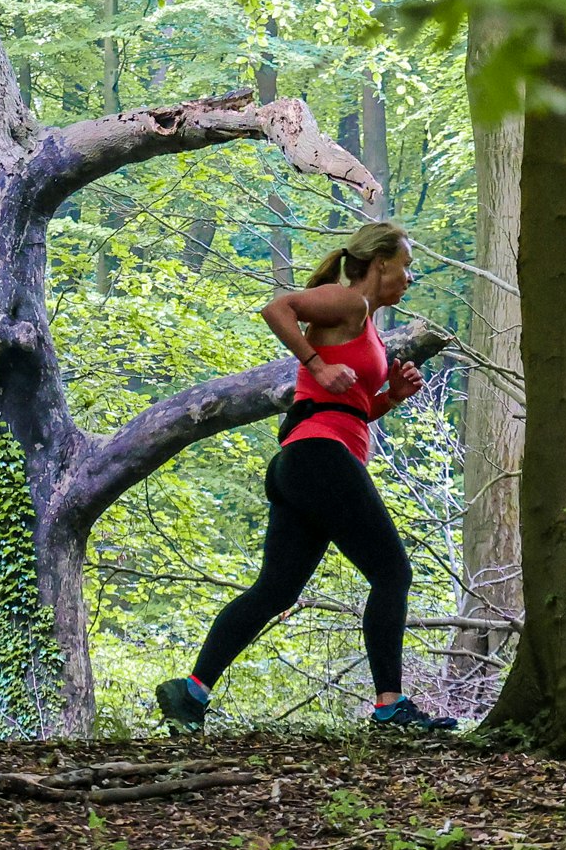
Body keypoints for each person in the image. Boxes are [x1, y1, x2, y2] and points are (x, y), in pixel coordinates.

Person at [154, 221, 457, 732]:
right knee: (392, 572)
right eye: (405, 265)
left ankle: (190, 693)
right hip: (319, 456)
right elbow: (278, 308)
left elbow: (353, 410)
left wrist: (390, 398)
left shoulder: (369, 327)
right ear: (379, 263)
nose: (410, 276)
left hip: (309, 460)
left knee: (275, 591)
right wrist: (316, 365)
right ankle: (390, 707)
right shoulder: (348, 302)